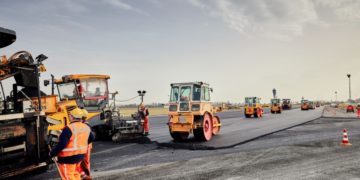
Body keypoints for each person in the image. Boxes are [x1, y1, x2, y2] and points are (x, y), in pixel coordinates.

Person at [50, 108, 94, 180]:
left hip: (67, 158)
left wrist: (52, 153)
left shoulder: (69, 128)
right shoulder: (86, 127)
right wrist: (82, 144)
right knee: (76, 174)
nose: (69, 116)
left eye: (70, 115)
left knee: (68, 177)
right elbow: (92, 137)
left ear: (72, 117)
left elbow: (62, 144)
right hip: (80, 156)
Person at [79, 108, 92, 180]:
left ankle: (87, 177)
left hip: (85, 146)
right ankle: (84, 176)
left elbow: (90, 137)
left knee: (85, 163)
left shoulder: (86, 125)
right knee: (83, 163)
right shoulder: (84, 125)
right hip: (85, 146)